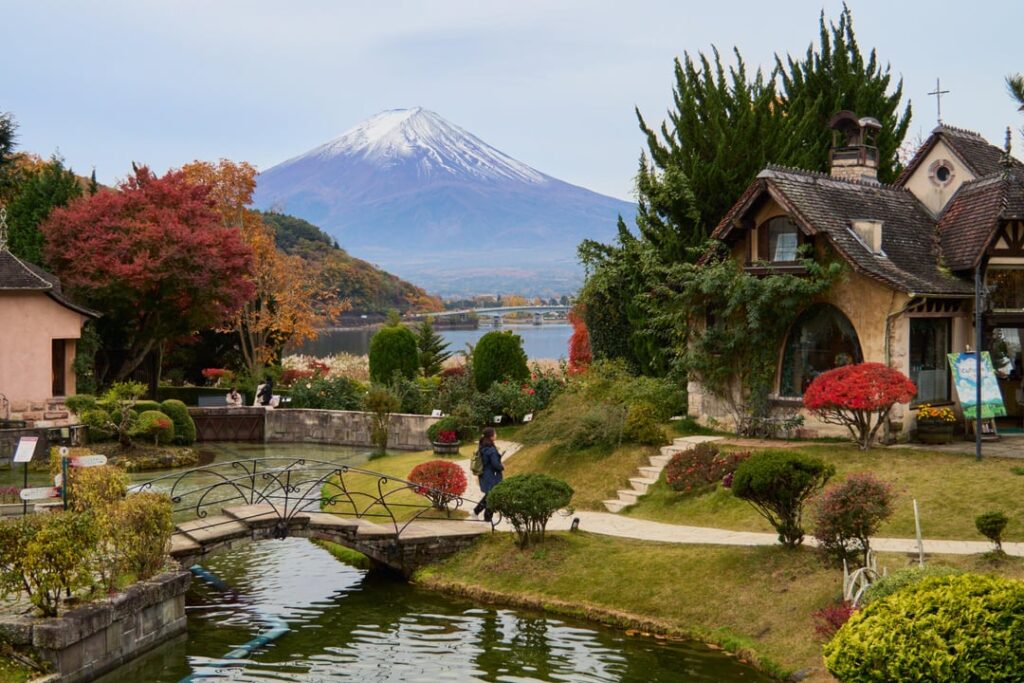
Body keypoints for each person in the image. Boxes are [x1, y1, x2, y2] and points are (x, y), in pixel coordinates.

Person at [472, 426, 503, 522]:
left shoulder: (482, 446)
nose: (496, 435)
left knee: (490, 495)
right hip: (491, 475)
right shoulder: (491, 449)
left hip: (484, 474)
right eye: (495, 433)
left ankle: (482, 515)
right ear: (491, 436)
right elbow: (495, 465)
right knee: (492, 495)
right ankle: (482, 515)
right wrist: (501, 466)